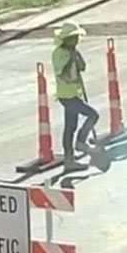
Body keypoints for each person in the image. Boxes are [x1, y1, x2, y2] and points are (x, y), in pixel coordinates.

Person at [51, 21, 100, 173]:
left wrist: (77, 57)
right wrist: (70, 59)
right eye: (74, 38)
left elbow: (82, 67)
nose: (77, 41)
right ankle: (81, 142)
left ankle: (69, 160)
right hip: (67, 95)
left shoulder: (74, 51)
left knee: (70, 127)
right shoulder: (59, 53)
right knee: (93, 115)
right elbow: (62, 73)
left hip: (74, 93)